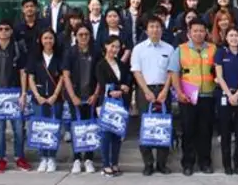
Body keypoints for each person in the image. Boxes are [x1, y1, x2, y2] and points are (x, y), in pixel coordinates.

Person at [0, 20, 31, 173]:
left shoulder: (17, 49)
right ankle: (1, 158)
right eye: (0, 29)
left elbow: (23, 73)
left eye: (7, 29)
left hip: (14, 93)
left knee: (18, 129)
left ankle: (19, 157)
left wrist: (23, 93)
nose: (3, 31)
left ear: (11, 31)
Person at [169, 18, 218, 176]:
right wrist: (179, 93)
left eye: (201, 30)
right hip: (187, 97)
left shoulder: (213, 49)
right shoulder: (180, 49)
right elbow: (174, 73)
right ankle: (188, 163)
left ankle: (205, 162)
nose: (198, 33)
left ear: (206, 32)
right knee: (188, 131)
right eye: (195, 30)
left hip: (208, 96)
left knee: (206, 131)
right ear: (189, 33)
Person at [130, 17, 174, 176]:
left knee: (163, 126)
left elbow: (171, 72)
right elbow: (136, 71)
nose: (155, 29)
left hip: (163, 90)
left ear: (162, 30)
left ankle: (162, 163)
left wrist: (165, 91)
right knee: (145, 126)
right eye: (152, 27)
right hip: (145, 90)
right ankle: (148, 163)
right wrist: (146, 91)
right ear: (147, 30)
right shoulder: (138, 49)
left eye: (158, 27)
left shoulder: (169, 49)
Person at [62, 24, 100, 174]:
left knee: (90, 127)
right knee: (76, 128)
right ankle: (77, 159)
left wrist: (96, 95)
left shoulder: (96, 52)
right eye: (80, 34)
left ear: (90, 36)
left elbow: (99, 77)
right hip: (75, 97)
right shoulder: (70, 52)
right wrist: (73, 97)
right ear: (75, 36)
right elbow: (66, 75)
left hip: (91, 97)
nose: (83, 37)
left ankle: (89, 159)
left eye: (86, 34)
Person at [214, 27, 238, 175]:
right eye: (231, 35)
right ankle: (227, 165)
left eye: (236, 35)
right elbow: (220, 76)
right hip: (224, 94)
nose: (234, 38)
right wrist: (230, 94)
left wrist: (237, 95)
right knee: (225, 131)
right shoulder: (221, 53)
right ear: (226, 38)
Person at [27, 29, 64, 173]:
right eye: (45, 38)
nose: (48, 41)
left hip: (56, 99)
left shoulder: (59, 57)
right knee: (41, 128)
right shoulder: (35, 57)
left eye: (51, 38)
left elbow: (62, 77)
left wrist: (55, 95)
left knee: (54, 128)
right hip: (39, 98)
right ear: (40, 40)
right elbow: (30, 77)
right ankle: (43, 158)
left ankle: (52, 158)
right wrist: (36, 95)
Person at [96, 36, 131, 177]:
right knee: (105, 135)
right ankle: (105, 165)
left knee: (117, 134)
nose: (114, 49)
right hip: (105, 103)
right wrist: (117, 87)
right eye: (112, 46)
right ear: (106, 46)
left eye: (117, 46)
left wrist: (125, 88)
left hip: (120, 104)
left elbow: (127, 79)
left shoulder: (121, 64)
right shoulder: (100, 64)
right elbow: (102, 83)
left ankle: (115, 163)